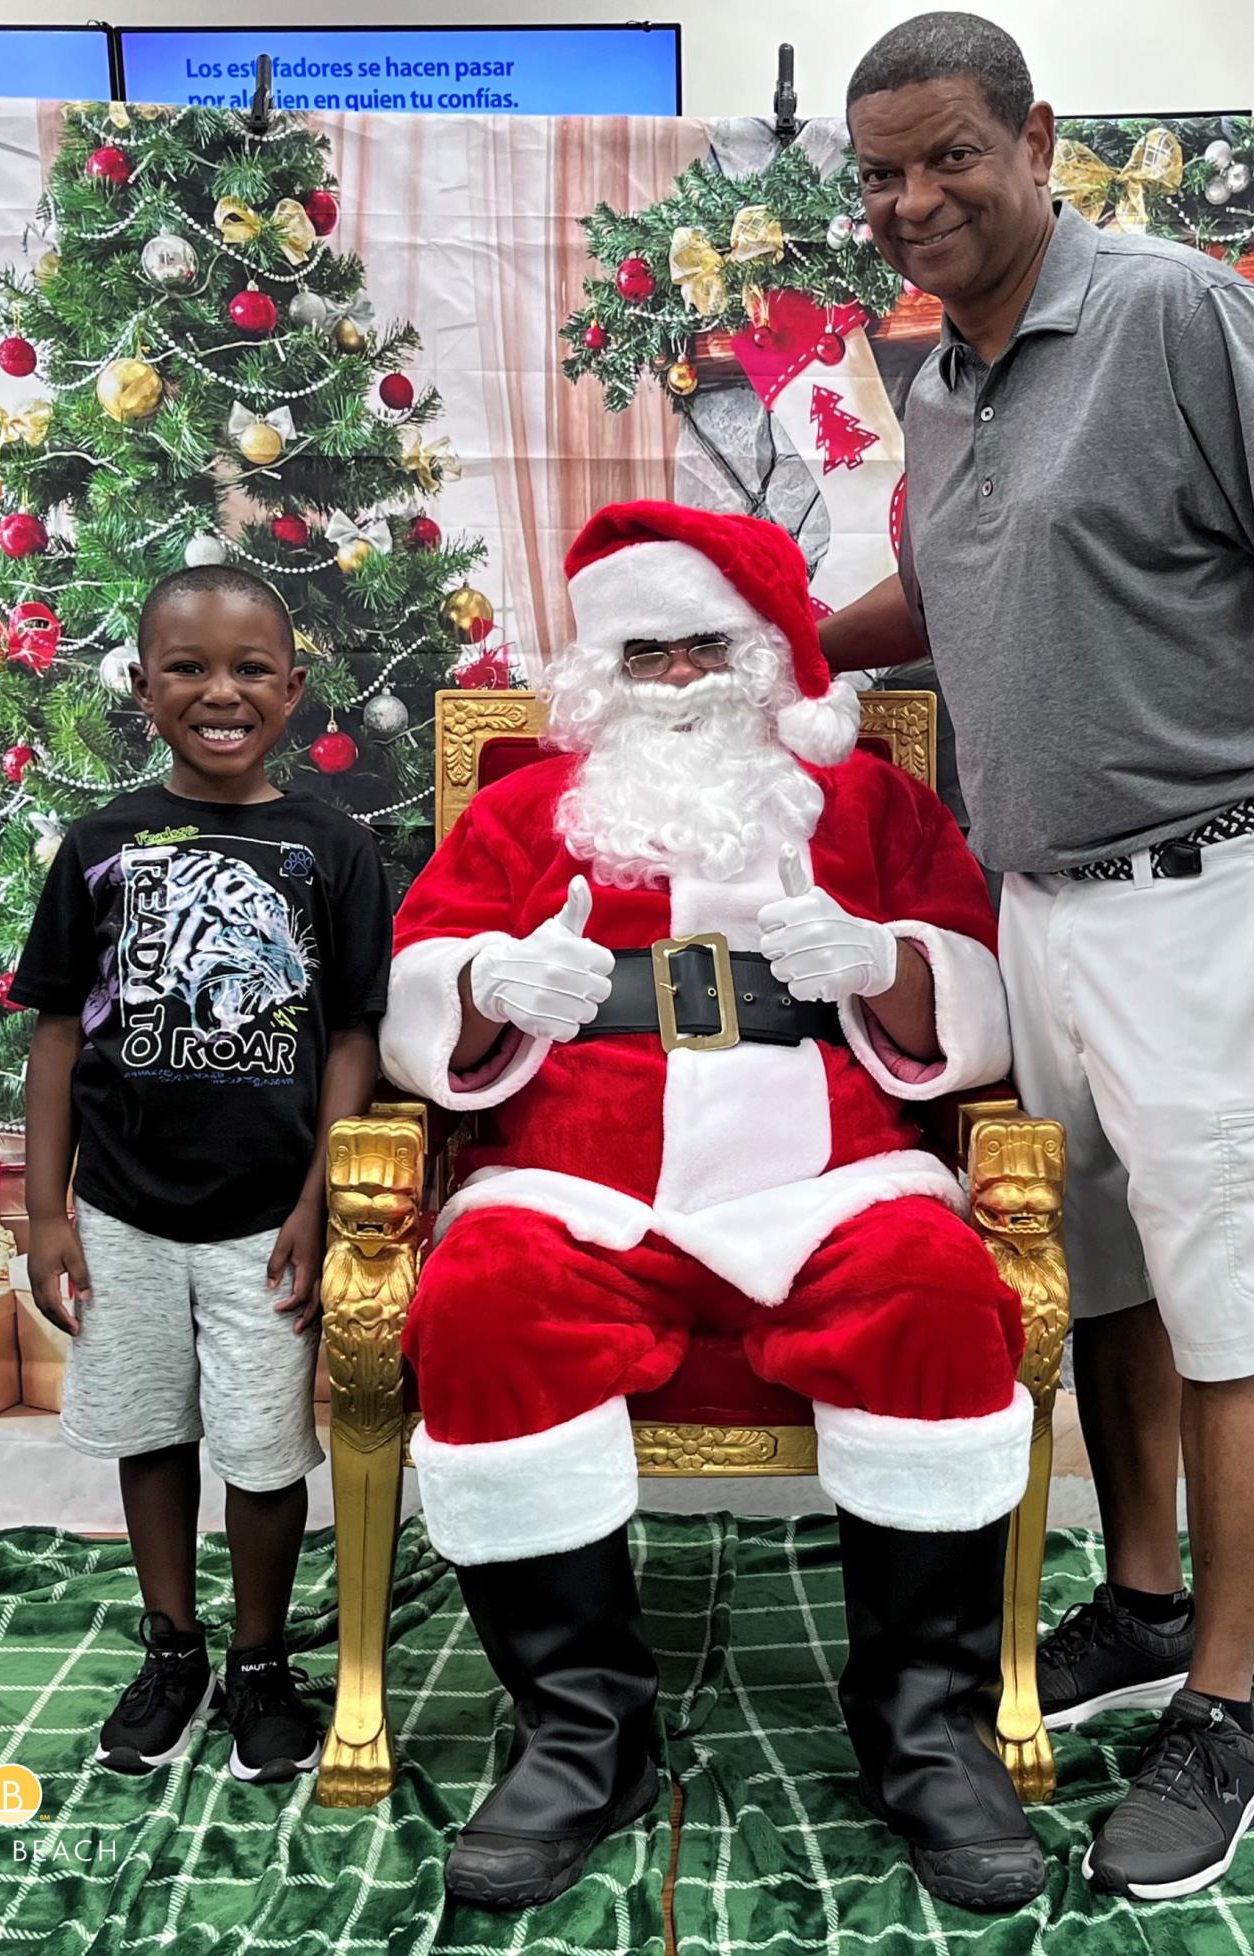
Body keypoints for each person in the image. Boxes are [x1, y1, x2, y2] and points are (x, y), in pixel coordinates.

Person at [832, 14, 1254, 1904]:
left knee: (1234, 1301)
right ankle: (1148, 1600)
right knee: (1102, 1275)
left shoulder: (1179, 313)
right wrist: (731, 632)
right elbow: (935, 601)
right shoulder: (938, 386)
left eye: (948, 158)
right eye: (879, 176)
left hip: (1217, 889)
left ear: (1036, 141)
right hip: (1039, 909)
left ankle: (1225, 1714)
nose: (914, 202)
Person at [380, 500, 1045, 1913]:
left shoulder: (869, 803)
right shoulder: (520, 815)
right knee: (485, 1299)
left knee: (933, 1292)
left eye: (705, 649)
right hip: (575, 1183)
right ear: (597, 676)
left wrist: (886, 963)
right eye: (646, 657)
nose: (678, 681)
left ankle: (924, 1730)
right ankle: (583, 1731)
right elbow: (421, 978)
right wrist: (490, 988)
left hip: (834, 1178)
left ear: (764, 657)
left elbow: (975, 993)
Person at [8, 566, 390, 1787]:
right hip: (120, 1208)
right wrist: (44, 1209)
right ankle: (173, 1647)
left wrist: (318, 1194)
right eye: (187, 668)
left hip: (265, 1217)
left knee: (267, 1449)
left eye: (246, 670)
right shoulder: (99, 845)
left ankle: (263, 1660)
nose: (219, 693)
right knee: (150, 1429)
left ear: (292, 687)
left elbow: (349, 1036)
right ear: (141, 685)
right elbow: (58, 1031)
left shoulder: (333, 849)